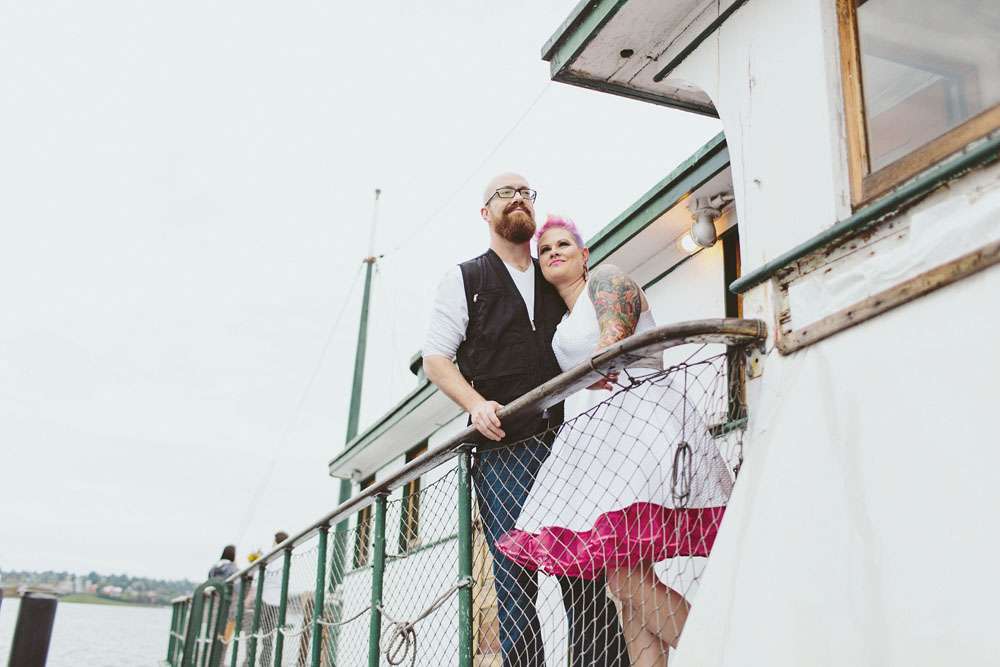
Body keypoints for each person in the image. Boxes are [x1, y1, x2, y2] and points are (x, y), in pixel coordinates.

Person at [495, 216, 734, 667]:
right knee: (627, 586)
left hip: (638, 425)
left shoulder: (604, 279)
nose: (553, 253)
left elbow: (615, 327)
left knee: (623, 580)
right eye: (545, 250)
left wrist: (601, 355)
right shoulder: (561, 325)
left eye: (563, 244)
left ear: (584, 254)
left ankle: (725, 655)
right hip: (600, 443)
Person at [423, 175, 629, 667]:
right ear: (485, 212)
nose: (518, 197)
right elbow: (436, 358)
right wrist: (476, 404)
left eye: (525, 192)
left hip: (566, 445)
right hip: (504, 452)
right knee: (515, 582)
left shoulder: (552, 273)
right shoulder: (465, 279)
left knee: (582, 571)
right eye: (505, 193)